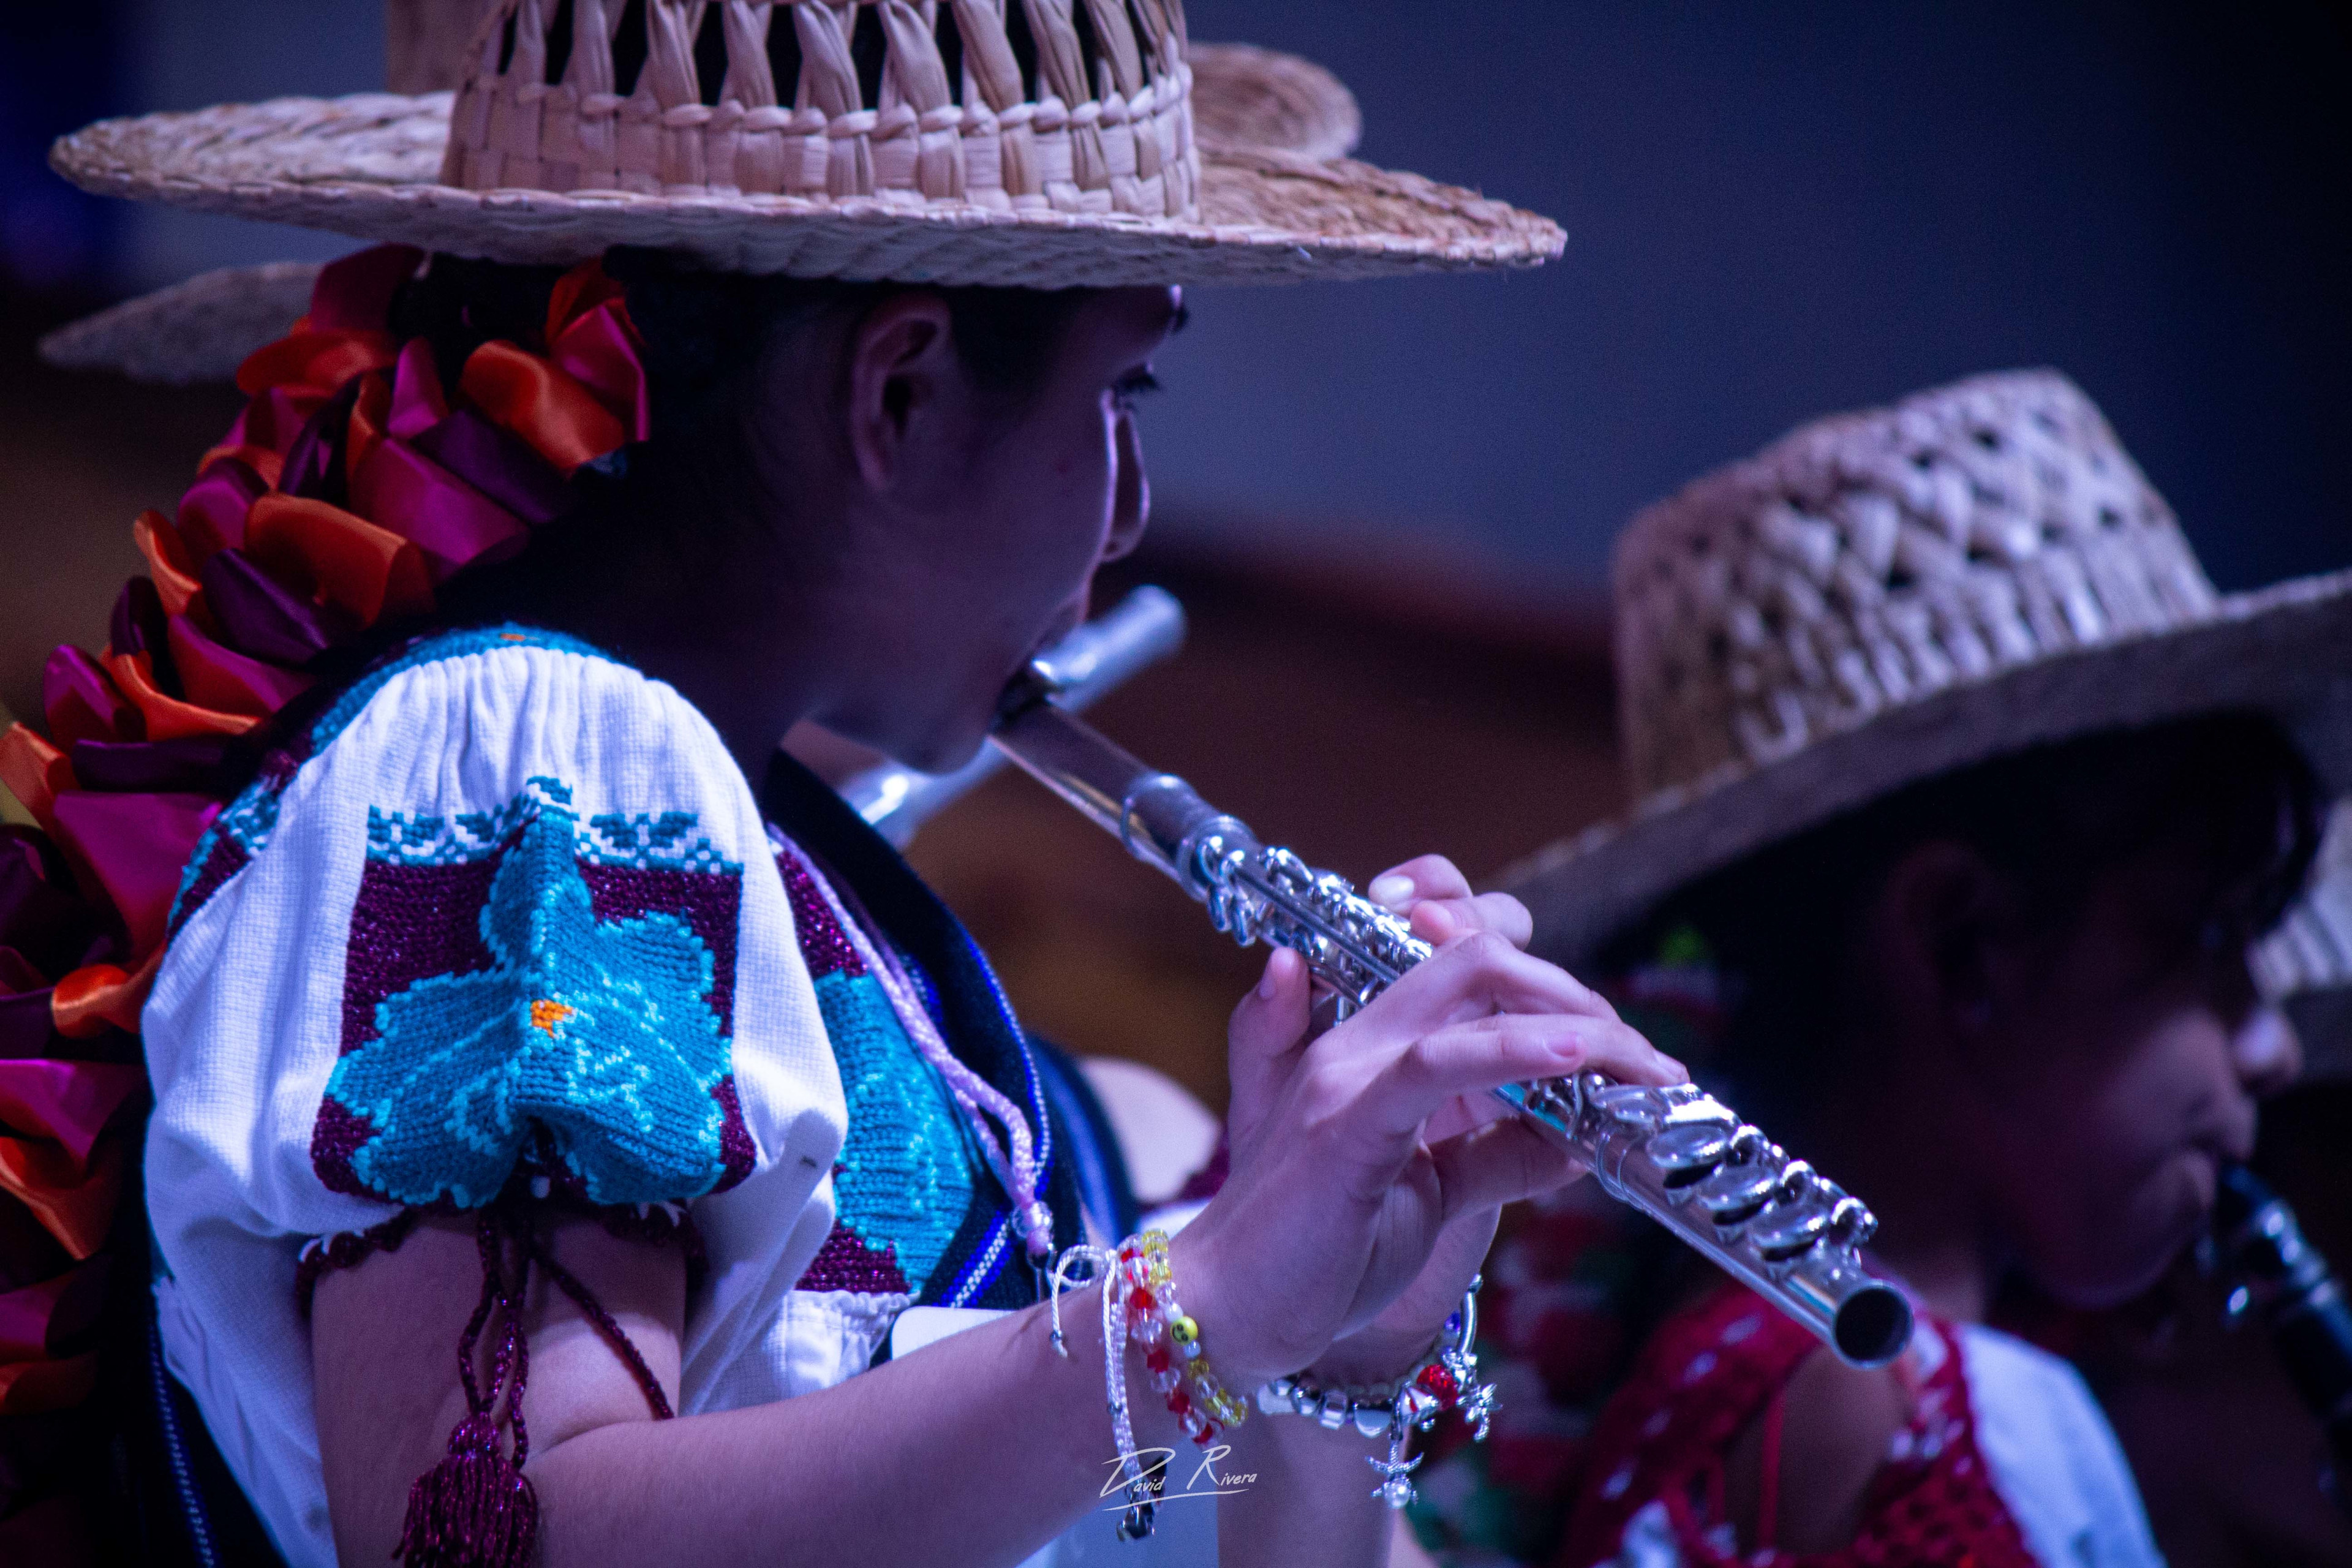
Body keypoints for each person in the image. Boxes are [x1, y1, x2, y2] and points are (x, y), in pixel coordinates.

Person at [4, 5, 1681, 1567]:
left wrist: (1341, 1338)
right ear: (897, 393)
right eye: (1125, 390)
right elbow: (495, 1532)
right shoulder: (539, 757)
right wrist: (1218, 1295)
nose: (1128, 512)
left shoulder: (766, 868)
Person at [1491, 371, 2351, 1567]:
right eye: (2197, 939)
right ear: (1962, 942)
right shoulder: (1914, 1412)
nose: (2269, 1042)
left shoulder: (1733, 1370)